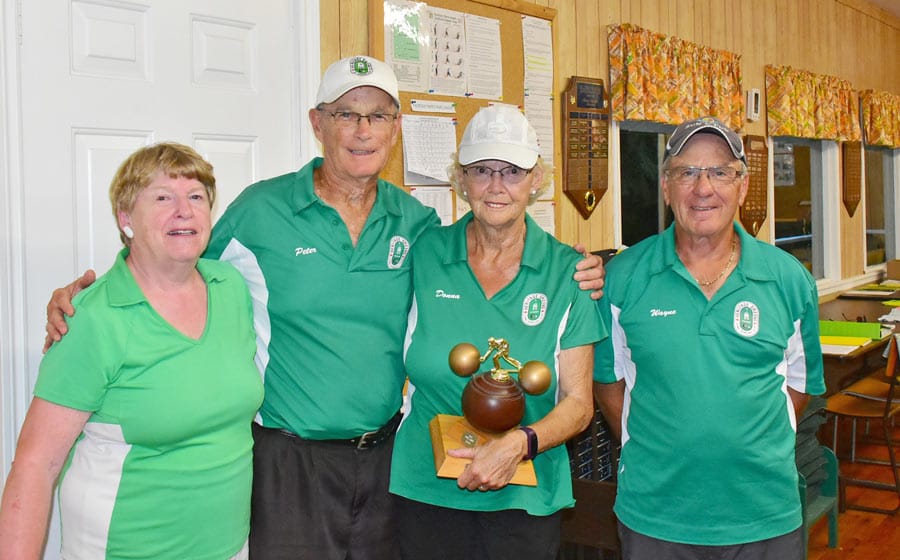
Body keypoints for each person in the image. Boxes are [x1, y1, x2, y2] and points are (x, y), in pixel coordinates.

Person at [42, 56, 606, 560]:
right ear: (318, 123)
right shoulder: (261, 210)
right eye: (346, 114)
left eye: (378, 116)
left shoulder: (418, 227)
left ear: (396, 129)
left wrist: (584, 267)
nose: (363, 130)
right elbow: (173, 263)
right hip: (290, 463)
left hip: (386, 461)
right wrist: (91, 293)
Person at [0, 143, 263, 559]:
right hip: (124, 548)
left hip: (228, 548)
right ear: (126, 219)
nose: (184, 210)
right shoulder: (93, 317)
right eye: (163, 198)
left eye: (196, 196)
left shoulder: (230, 288)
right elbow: (36, 465)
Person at [593, 116, 825, 559]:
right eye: (687, 172)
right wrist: (661, 446)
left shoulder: (789, 279)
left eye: (720, 172)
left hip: (765, 514)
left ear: (742, 186)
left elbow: (801, 385)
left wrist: (747, 441)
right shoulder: (622, 278)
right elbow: (608, 383)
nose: (703, 188)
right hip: (655, 515)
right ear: (666, 187)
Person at [389, 105, 607, 559]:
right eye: (481, 170)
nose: (496, 186)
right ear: (461, 179)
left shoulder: (569, 273)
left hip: (524, 497)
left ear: (535, 180)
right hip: (424, 490)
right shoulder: (424, 253)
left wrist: (519, 445)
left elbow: (579, 404)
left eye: (512, 171)